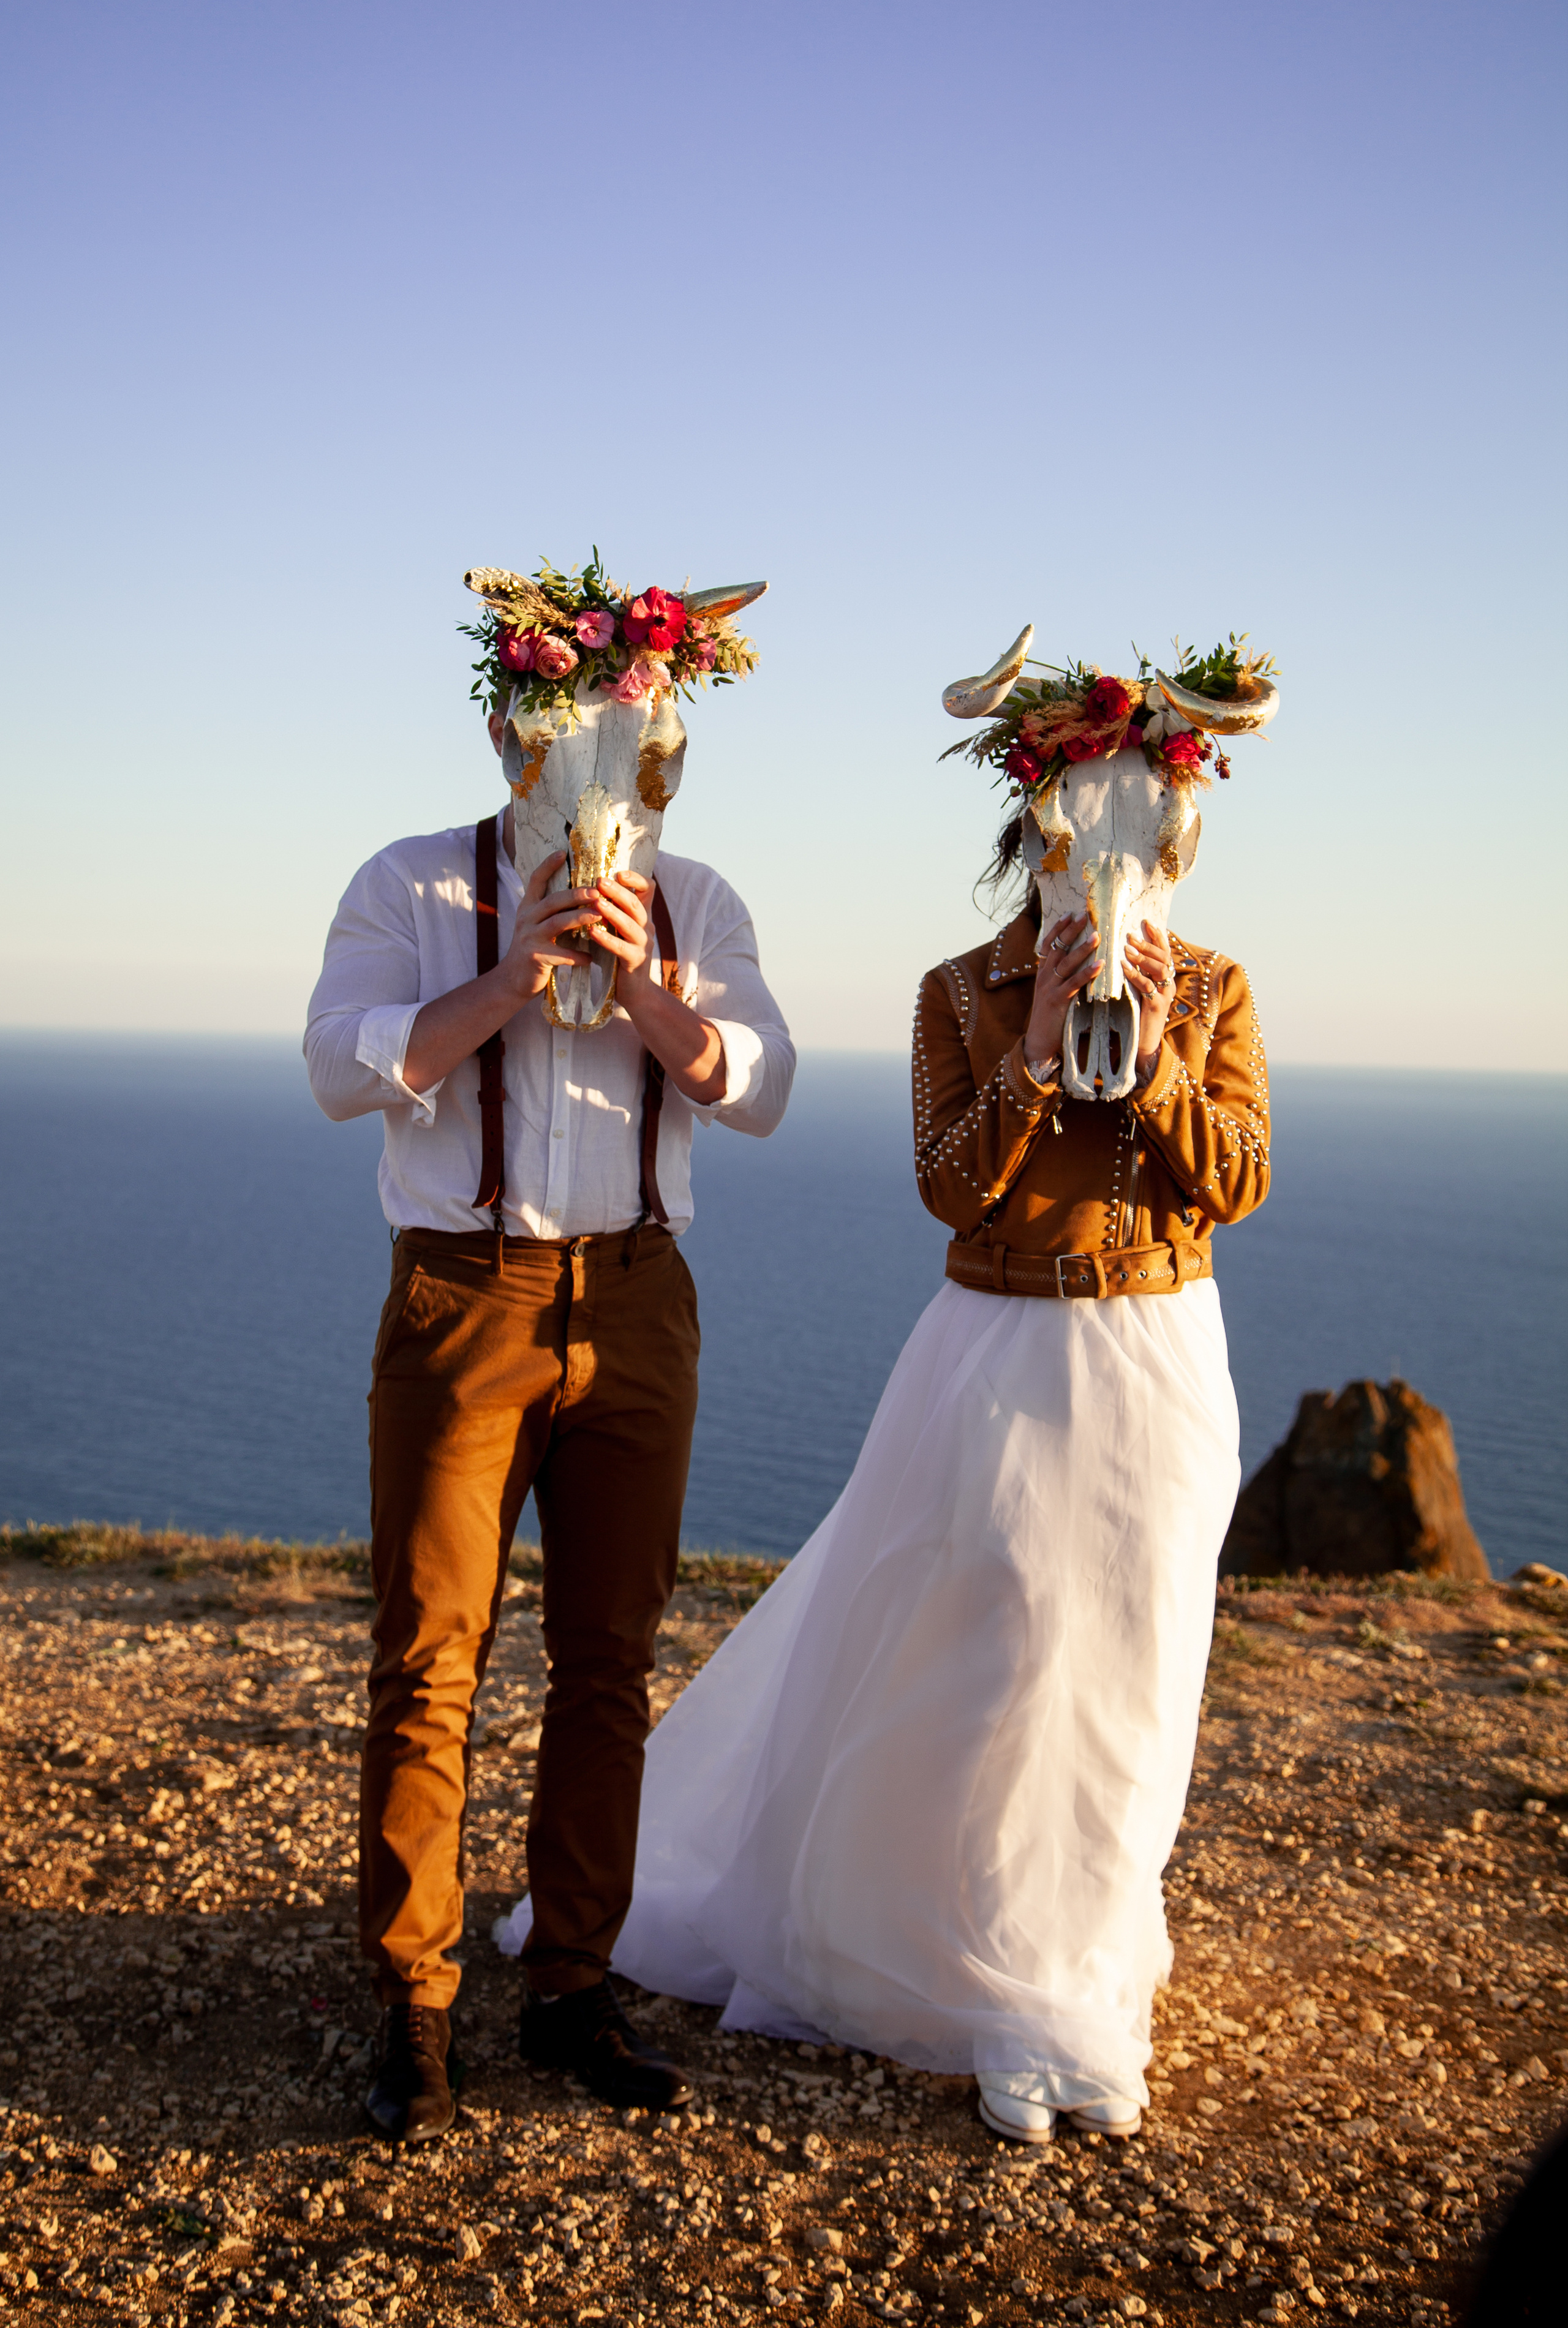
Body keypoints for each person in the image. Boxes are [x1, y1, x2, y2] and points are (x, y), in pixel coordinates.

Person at [556, 638, 1272, 2145]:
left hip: (1155, 1354)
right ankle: (991, 1981)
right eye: (1078, 835)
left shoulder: (1211, 987)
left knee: (1133, 1673)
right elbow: (953, 1193)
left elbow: (1240, 1180)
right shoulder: (958, 989)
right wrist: (1027, 1052)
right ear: (1036, 836)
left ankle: (1075, 1975)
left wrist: (1141, 1066)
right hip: (997, 1347)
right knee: (994, 1652)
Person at [305, 559, 794, 2143]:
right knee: (431, 1653)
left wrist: (643, 984)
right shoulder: (410, 882)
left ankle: (574, 1983)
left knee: (608, 1661)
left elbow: (763, 1081)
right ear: (516, 725)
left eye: (628, 727)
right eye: (565, 722)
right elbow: (337, 1064)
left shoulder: (701, 901)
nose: (592, 752)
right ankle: (416, 2005)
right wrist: (513, 970)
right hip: (466, 1297)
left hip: (641, 1299)